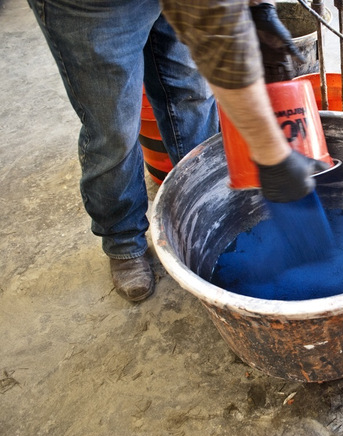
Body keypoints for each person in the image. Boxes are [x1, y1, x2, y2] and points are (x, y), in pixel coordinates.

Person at [28, 0, 325, 302]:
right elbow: (215, 29)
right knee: (114, 126)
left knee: (192, 96)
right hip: (92, 8)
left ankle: (209, 215)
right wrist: (272, 158)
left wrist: (259, 7)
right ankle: (123, 241)